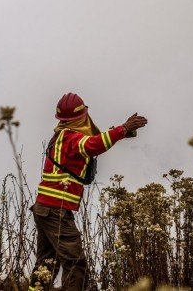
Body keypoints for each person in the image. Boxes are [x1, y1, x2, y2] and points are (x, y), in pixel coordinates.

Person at [28, 92, 148, 291]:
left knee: (47, 263)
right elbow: (92, 145)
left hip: (44, 209)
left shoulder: (61, 136)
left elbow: (92, 141)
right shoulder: (71, 138)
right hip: (56, 211)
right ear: (82, 116)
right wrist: (124, 129)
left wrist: (122, 132)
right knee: (76, 264)